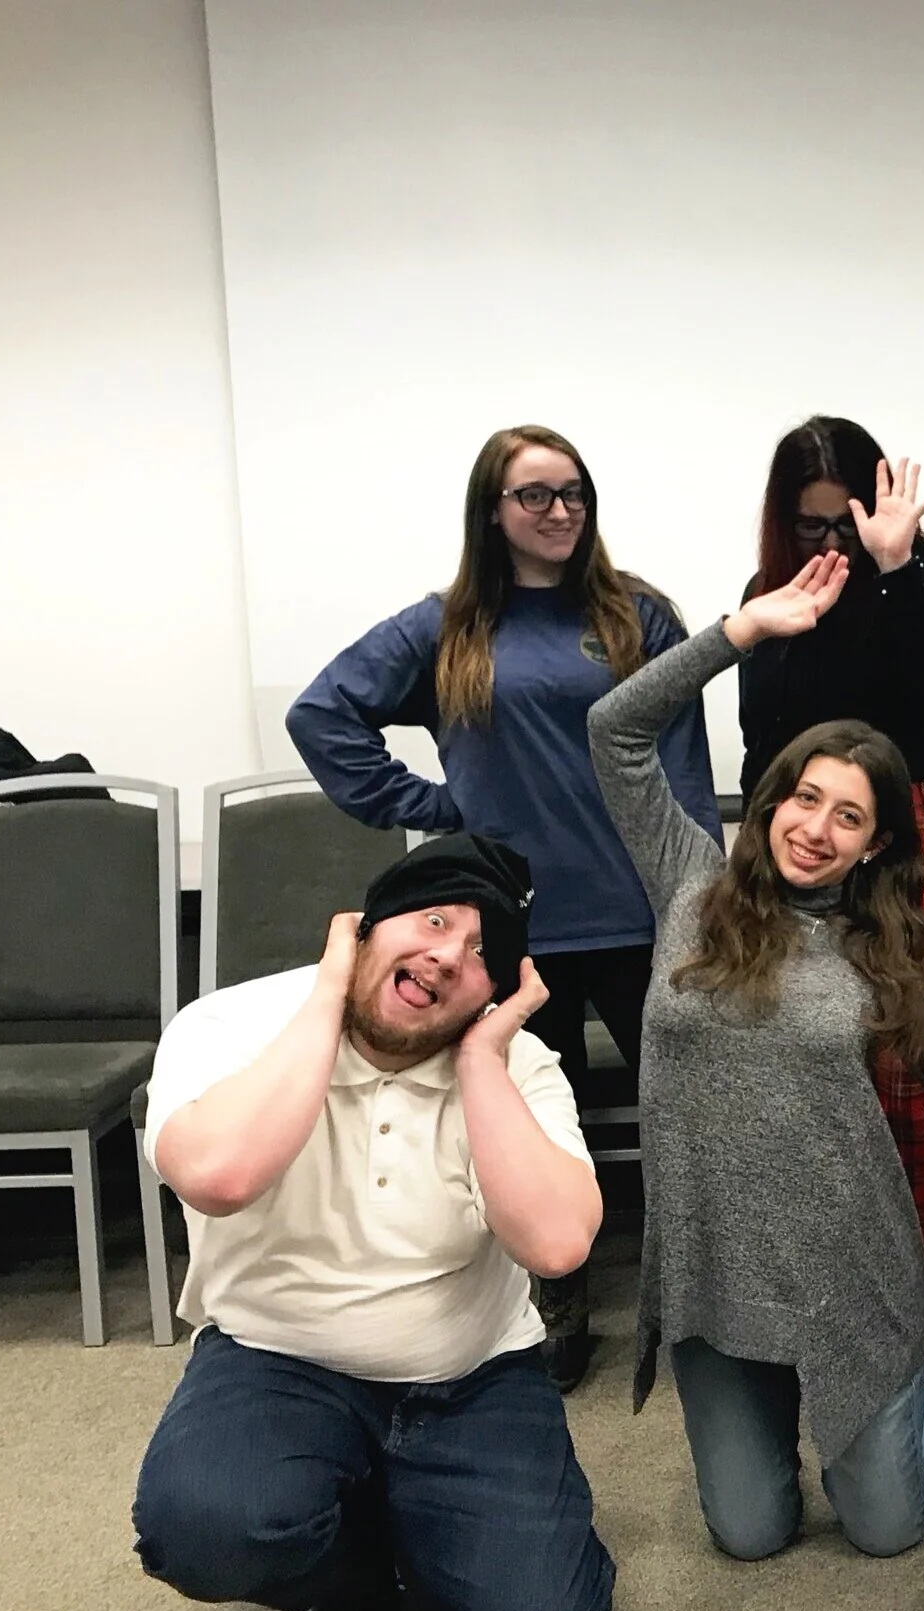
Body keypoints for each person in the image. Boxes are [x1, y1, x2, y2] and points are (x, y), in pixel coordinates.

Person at [587, 549, 924, 1562]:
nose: (816, 828)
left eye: (849, 815)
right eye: (804, 799)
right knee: (752, 1533)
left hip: (845, 1257)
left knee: (887, 1526)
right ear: (772, 799)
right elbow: (615, 730)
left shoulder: (881, 949)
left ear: (875, 844)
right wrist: (741, 632)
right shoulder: (689, 883)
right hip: (712, 1260)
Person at [287, 424, 721, 1392]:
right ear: (493, 509)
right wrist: (439, 810)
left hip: (642, 913)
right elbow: (320, 714)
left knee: (691, 1116)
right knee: (530, 1124)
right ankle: (554, 1307)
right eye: (535, 495)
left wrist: (703, 895)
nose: (560, 511)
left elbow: (684, 767)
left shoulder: (637, 615)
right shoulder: (447, 626)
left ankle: (704, 1298)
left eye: (574, 492)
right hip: (513, 927)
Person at [131, 835, 614, 1611]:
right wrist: (331, 991)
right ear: (368, 923)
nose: (447, 957)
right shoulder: (230, 1022)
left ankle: (438, 1534)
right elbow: (218, 1174)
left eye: (483, 952)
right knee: (204, 1528)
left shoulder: (516, 1061)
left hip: (470, 1378)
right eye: (433, 920)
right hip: (275, 1360)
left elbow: (558, 1244)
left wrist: (481, 1063)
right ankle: (360, 1574)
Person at [738, 420, 924, 1306]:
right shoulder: (769, 594)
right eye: (809, 524)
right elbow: (764, 745)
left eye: (844, 522)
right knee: (814, 1048)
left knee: (911, 1053)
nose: (830, 542)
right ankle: (830, 1262)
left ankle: (911, 1271)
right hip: (818, 831)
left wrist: (894, 568)